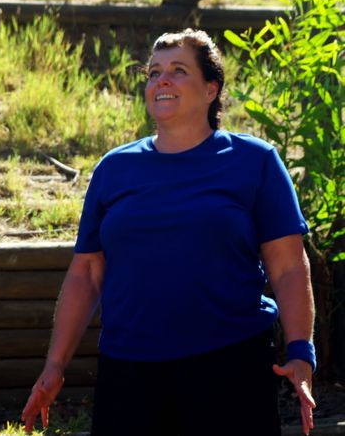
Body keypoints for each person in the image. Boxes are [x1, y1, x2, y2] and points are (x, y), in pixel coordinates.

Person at [21, 29, 316, 436]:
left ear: (211, 89)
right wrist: (54, 367)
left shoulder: (254, 161)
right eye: (154, 71)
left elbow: (288, 267)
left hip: (229, 367)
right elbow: (86, 273)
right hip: (129, 372)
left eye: (179, 71)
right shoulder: (114, 169)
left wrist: (301, 353)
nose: (162, 80)